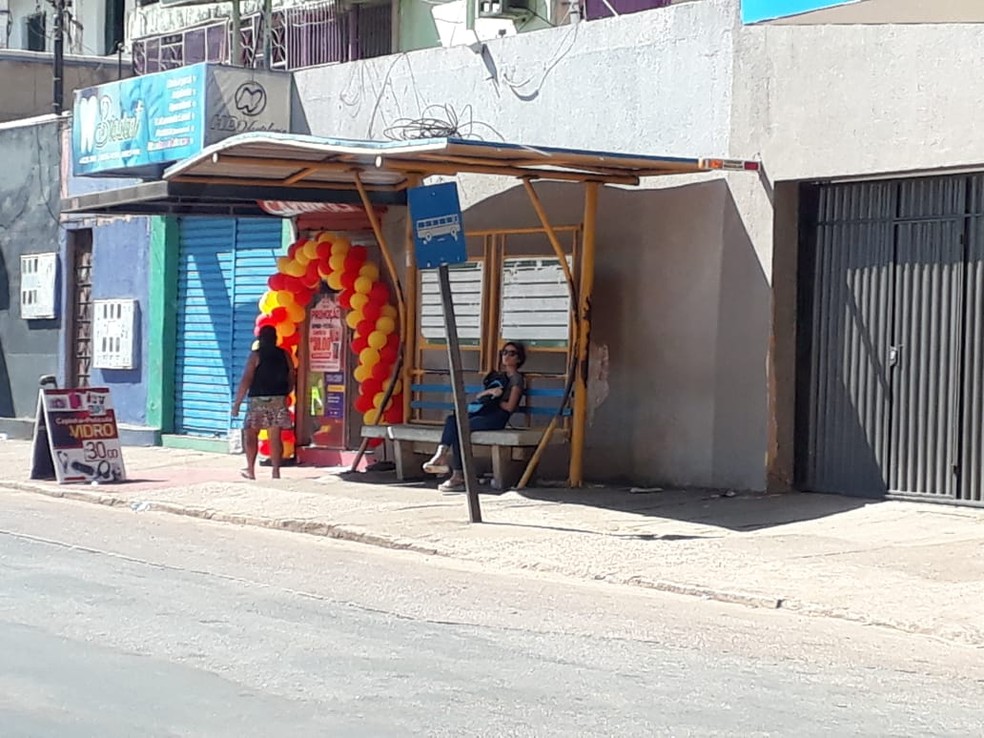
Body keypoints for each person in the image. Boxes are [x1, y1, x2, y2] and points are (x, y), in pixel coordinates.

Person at [423, 341, 526, 492]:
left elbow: (510, 407)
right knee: (452, 420)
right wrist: (490, 393)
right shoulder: (497, 376)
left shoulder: (516, 379)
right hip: (485, 412)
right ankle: (441, 453)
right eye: (504, 352)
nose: (507, 356)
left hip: (497, 417)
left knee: (462, 429)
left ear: (519, 359)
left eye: (512, 353)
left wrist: (496, 400)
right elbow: (480, 396)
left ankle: (458, 475)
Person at [231, 325, 296, 480]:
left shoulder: (256, 356)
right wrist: (286, 392)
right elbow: (291, 375)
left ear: (260, 339)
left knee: (251, 433)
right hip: (278, 399)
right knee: (275, 436)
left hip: (258, 400)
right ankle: (275, 471)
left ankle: (251, 470)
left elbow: (246, 379)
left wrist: (237, 404)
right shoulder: (284, 354)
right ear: (275, 338)